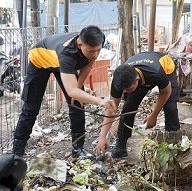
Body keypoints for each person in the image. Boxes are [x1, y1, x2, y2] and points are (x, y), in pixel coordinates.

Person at [12, 25, 117, 158]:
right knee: (31, 108)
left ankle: (78, 149)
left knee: (77, 104)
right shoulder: (67, 54)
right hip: (40, 60)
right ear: (80, 44)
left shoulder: (93, 46)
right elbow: (71, 90)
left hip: (60, 63)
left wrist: (79, 88)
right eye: (91, 51)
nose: (95, 54)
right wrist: (100, 101)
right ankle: (17, 153)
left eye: (98, 50)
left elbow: (87, 66)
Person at [94, 51, 180, 158]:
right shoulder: (119, 81)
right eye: (123, 90)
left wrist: (153, 116)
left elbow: (165, 92)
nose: (125, 92)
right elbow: (111, 108)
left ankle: (174, 145)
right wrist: (102, 136)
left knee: (170, 107)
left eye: (128, 89)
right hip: (141, 72)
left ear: (137, 80)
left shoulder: (156, 73)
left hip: (165, 68)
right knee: (128, 109)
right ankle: (120, 147)